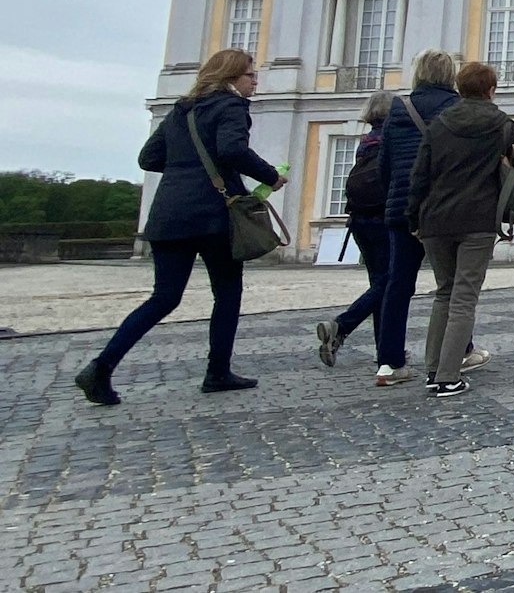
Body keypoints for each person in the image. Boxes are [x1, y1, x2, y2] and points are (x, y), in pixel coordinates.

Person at [75, 49, 285, 406]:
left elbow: (148, 158)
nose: (256, 81)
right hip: (214, 216)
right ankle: (217, 372)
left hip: (169, 214)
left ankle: (101, 366)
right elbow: (232, 150)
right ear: (232, 77)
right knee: (227, 292)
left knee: (164, 297)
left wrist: (184, 173)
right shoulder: (231, 106)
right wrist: (270, 176)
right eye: (251, 75)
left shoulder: (181, 110)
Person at [406, 61, 514, 398]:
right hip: (477, 220)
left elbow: (419, 175)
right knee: (464, 297)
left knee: (444, 293)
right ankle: (448, 377)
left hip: (435, 220)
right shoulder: (502, 125)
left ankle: (433, 369)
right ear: (491, 90)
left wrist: (414, 220)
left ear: (459, 89)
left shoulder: (439, 124)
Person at [373, 50, 488, 386]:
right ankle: (458, 352)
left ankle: (389, 363)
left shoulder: (399, 108)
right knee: (453, 287)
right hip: (444, 210)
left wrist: (394, 196)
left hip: (401, 207)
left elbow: (384, 163)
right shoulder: (457, 108)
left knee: (398, 284)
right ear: (450, 75)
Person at [314, 93, 393, 366]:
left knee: (379, 284)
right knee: (389, 282)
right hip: (383, 219)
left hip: (359, 222)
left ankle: (384, 352)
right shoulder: (390, 140)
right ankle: (342, 325)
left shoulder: (365, 142)